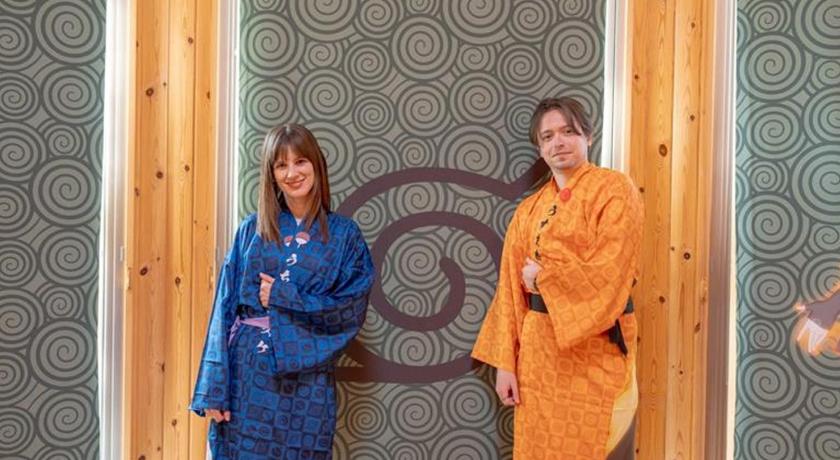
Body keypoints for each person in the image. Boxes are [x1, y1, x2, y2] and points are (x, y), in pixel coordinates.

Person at [472, 97, 644, 459]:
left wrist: (545, 278)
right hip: (539, 356)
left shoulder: (615, 189)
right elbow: (510, 289)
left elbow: (612, 269)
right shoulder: (528, 209)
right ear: (539, 148)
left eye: (568, 132)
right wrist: (506, 364)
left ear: (588, 137)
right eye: (547, 137)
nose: (558, 143)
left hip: (597, 349)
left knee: (602, 443)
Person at [190, 124, 375, 459]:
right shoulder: (251, 228)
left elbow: (349, 308)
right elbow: (224, 307)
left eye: (300, 161)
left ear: (316, 165)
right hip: (247, 377)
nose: (292, 173)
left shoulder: (345, 235)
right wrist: (214, 389)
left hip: (307, 383)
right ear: (271, 175)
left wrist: (283, 296)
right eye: (281, 165)